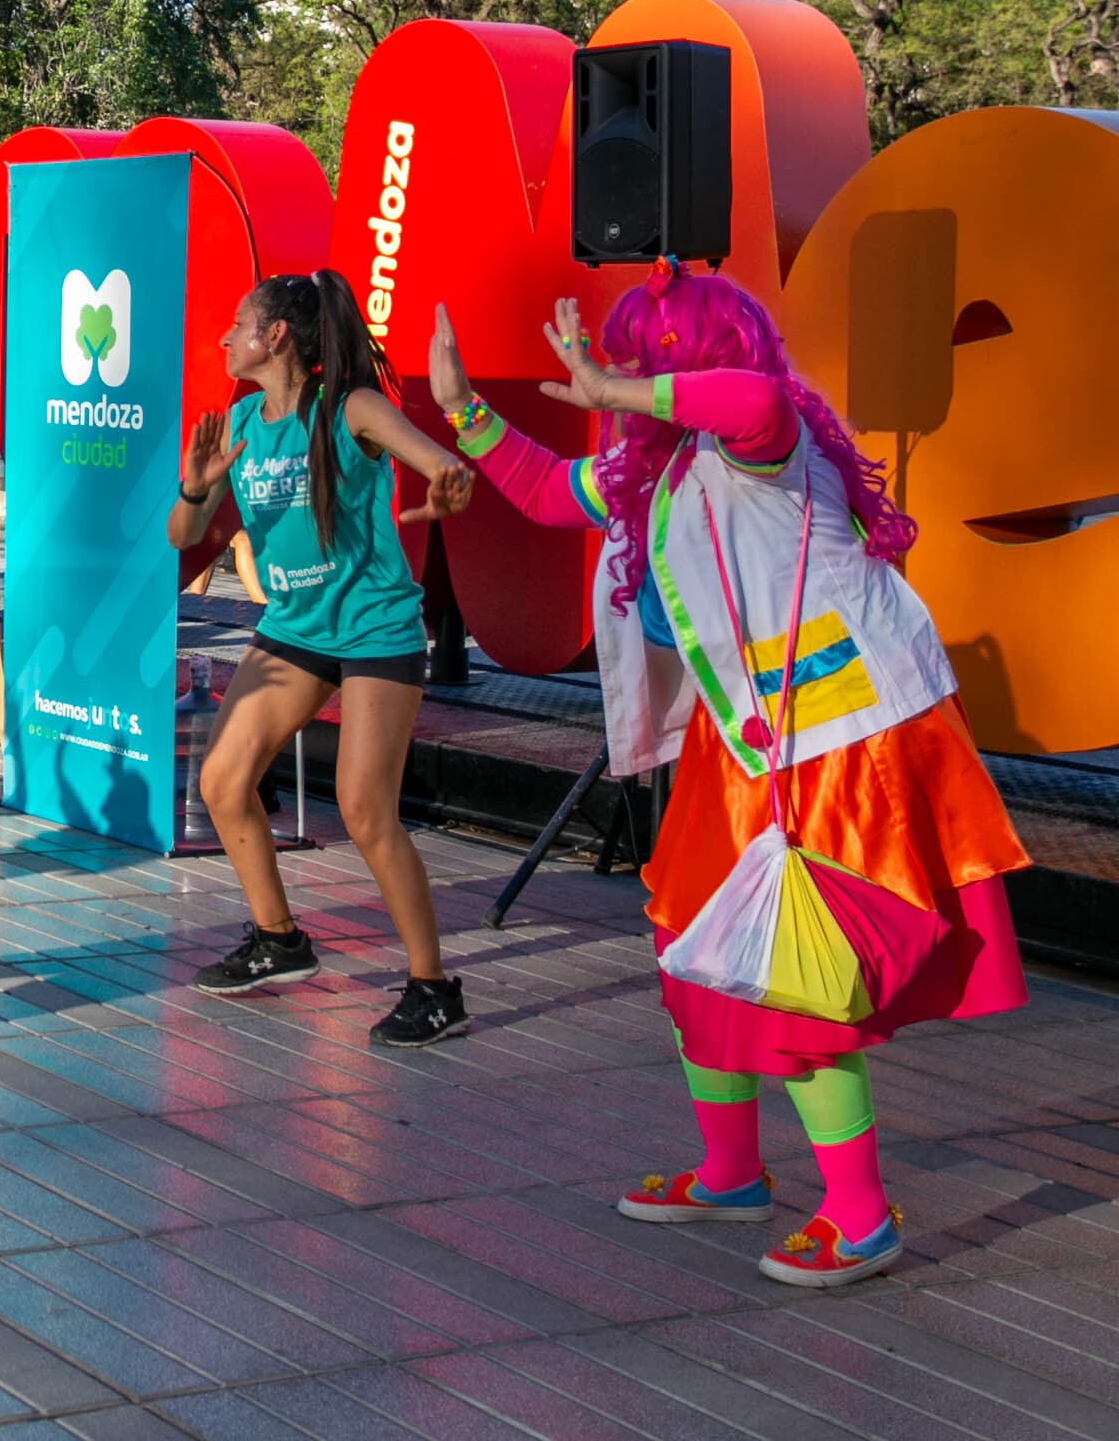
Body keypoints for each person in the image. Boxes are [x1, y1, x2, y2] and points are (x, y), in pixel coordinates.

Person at [430, 270, 1030, 1287]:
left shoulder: (767, 447)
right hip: (747, 744)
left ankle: (860, 1212)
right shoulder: (662, 474)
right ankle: (731, 1169)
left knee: (795, 969)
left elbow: (753, 401)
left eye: (633, 355)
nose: (615, 373)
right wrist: (459, 406)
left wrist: (618, 399)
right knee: (692, 943)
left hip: (845, 738)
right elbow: (541, 489)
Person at [166, 270, 478, 1048]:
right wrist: (198, 488)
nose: (223, 337)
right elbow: (182, 538)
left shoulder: (350, 409)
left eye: (237, 324)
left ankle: (434, 988)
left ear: (275, 336)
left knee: (367, 809)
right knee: (221, 780)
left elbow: (445, 467)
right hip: (297, 631)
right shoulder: (241, 423)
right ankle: (279, 940)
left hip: (374, 629)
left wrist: (445, 488)